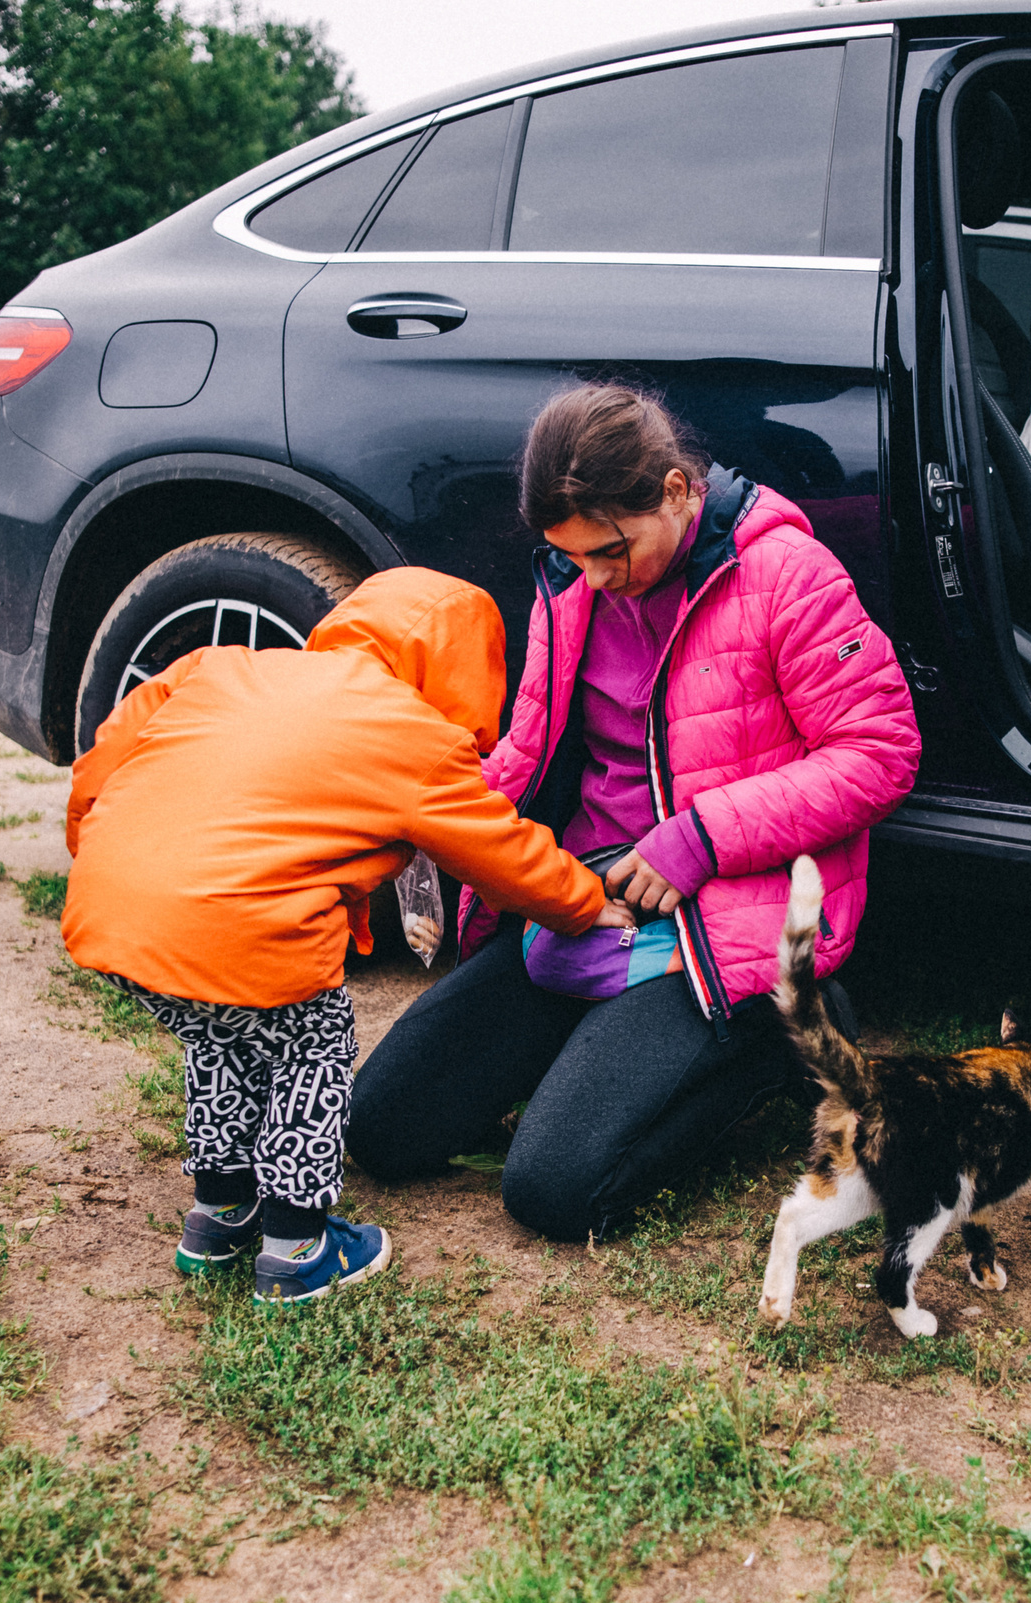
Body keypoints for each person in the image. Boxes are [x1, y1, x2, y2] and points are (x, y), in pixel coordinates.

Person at [348, 385, 922, 1240]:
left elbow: (882, 752)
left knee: (551, 1190)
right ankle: (609, 1037)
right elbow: (529, 748)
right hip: (588, 900)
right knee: (381, 1128)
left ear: (677, 491)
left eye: (612, 550)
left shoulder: (785, 574)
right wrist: (428, 826)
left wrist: (702, 836)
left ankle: (779, 1035)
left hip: (721, 922)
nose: (597, 577)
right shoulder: (572, 585)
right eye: (572, 556)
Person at [62, 568, 613, 1301]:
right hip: (238, 922)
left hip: (115, 903)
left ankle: (222, 1210)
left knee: (223, 1035)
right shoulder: (410, 735)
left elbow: (108, 752)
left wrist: (94, 845)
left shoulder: (224, 666)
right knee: (309, 1041)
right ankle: (297, 1242)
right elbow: (501, 851)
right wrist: (583, 904)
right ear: (464, 669)